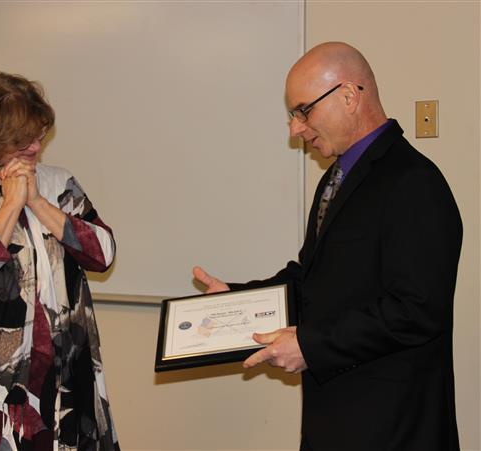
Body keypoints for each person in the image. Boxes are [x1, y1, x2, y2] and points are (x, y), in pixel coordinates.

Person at [193, 42, 462, 451]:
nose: (295, 129)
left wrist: (310, 346)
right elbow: (313, 280)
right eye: (293, 115)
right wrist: (237, 301)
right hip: (337, 421)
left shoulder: (414, 182)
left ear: (350, 96)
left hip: (392, 427)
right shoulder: (335, 179)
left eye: (304, 111)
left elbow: (417, 309)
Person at [0, 72, 120, 450]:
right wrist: (11, 204)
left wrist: (38, 203)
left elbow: (103, 253)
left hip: (65, 373)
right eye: (22, 139)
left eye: (39, 133)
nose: (36, 144)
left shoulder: (58, 184)